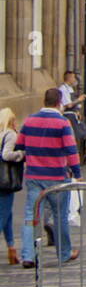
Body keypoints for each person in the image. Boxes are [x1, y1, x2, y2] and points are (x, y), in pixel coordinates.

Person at [18, 88, 82, 267]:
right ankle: (64, 253)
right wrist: (77, 173)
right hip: (57, 176)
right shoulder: (62, 123)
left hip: (34, 174)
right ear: (59, 102)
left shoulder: (30, 120)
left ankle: (28, 255)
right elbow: (71, 150)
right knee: (60, 215)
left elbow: (20, 144)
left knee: (31, 215)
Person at [0, 108, 24, 264]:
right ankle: (11, 249)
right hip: (5, 181)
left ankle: (11, 248)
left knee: (8, 215)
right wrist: (21, 154)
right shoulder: (11, 134)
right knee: (3, 214)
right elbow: (6, 155)